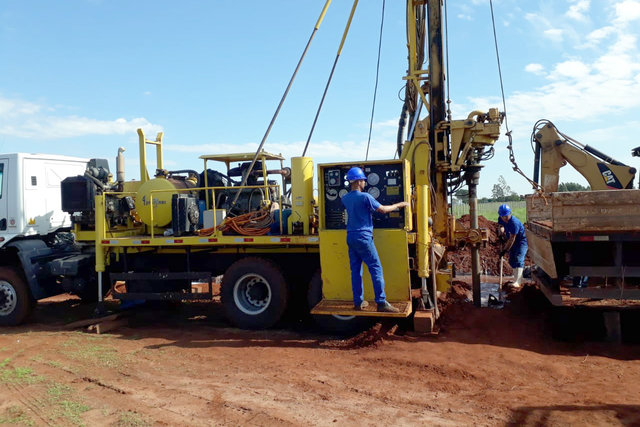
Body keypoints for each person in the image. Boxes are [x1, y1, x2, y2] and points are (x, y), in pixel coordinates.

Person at [341, 167, 409, 312]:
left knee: (356, 271)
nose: (365, 183)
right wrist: (399, 205)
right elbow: (383, 210)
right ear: (359, 181)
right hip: (363, 237)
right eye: (364, 180)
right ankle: (381, 302)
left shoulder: (345, 198)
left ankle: (358, 302)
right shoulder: (365, 197)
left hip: (351, 236)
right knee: (375, 268)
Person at [497, 203, 528, 288]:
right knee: (512, 261)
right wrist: (500, 231)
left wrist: (505, 250)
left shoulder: (514, 223)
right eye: (503, 216)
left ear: (510, 213)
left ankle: (518, 282)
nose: (504, 218)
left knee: (519, 259)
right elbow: (500, 225)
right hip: (512, 240)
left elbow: (512, 239)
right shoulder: (501, 219)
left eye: (506, 216)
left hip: (521, 241)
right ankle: (516, 279)